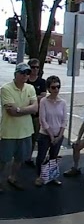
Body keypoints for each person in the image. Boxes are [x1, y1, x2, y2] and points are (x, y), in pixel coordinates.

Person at [0, 63, 39, 191]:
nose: (25, 76)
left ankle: (13, 177)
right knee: (3, 159)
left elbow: (35, 108)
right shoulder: (6, 89)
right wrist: (26, 109)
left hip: (26, 131)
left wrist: (18, 109)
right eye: (22, 73)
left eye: (27, 73)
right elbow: (10, 112)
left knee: (20, 159)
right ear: (15, 74)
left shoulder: (30, 88)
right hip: (8, 132)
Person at [35, 76, 67, 186]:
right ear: (48, 89)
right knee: (41, 157)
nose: (56, 90)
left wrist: (59, 136)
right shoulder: (44, 101)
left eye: (58, 87)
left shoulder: (62, 102)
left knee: (53, 157)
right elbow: (42, 120)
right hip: (45, 134)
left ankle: (52, 176)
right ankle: (40, 176)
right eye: (53, 87)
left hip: (58, 134)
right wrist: (51, 136)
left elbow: (64, 120)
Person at [25, 58, 47, 167]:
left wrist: (30, 98)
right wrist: (35, 98)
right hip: (24, 114)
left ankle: (28, 158)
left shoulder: (42, 82)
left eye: (37, 67)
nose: (35, 69)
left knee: (34, 136)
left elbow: (43, 97)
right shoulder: (25, 80)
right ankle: (21, 157)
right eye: (33, 67)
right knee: (24, 137)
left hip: (36, 115)